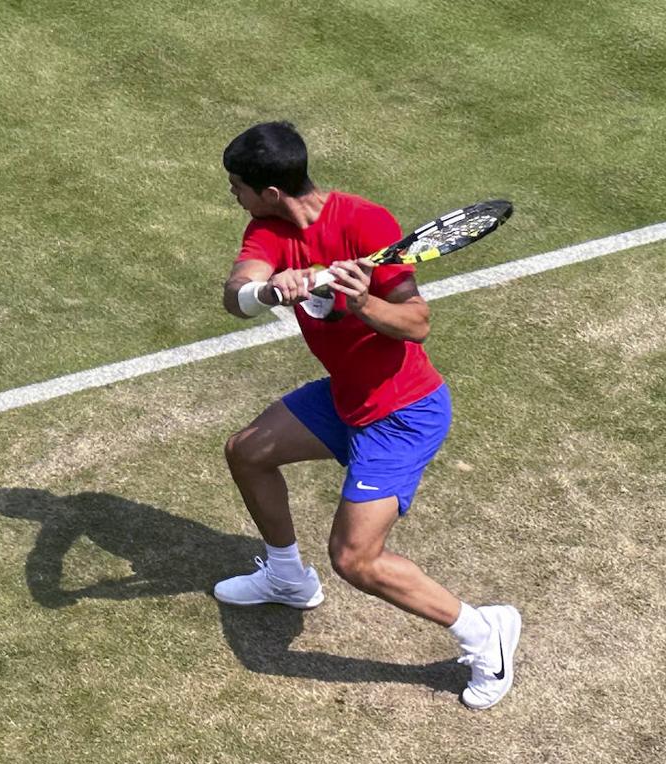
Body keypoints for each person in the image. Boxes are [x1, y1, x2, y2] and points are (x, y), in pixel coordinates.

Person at [215, 121, 520, 710]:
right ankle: (285, 577)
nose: (234, 196)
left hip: (402, 412)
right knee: (247, 450)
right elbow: (236, 296)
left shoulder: (365, 223)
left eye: (238, 187)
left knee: (356, 558)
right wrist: (272, 291)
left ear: (271, 191)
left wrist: (360, 301)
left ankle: (486, 636)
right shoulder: (268, 230)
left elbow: (417, 324)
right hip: (345, 397)